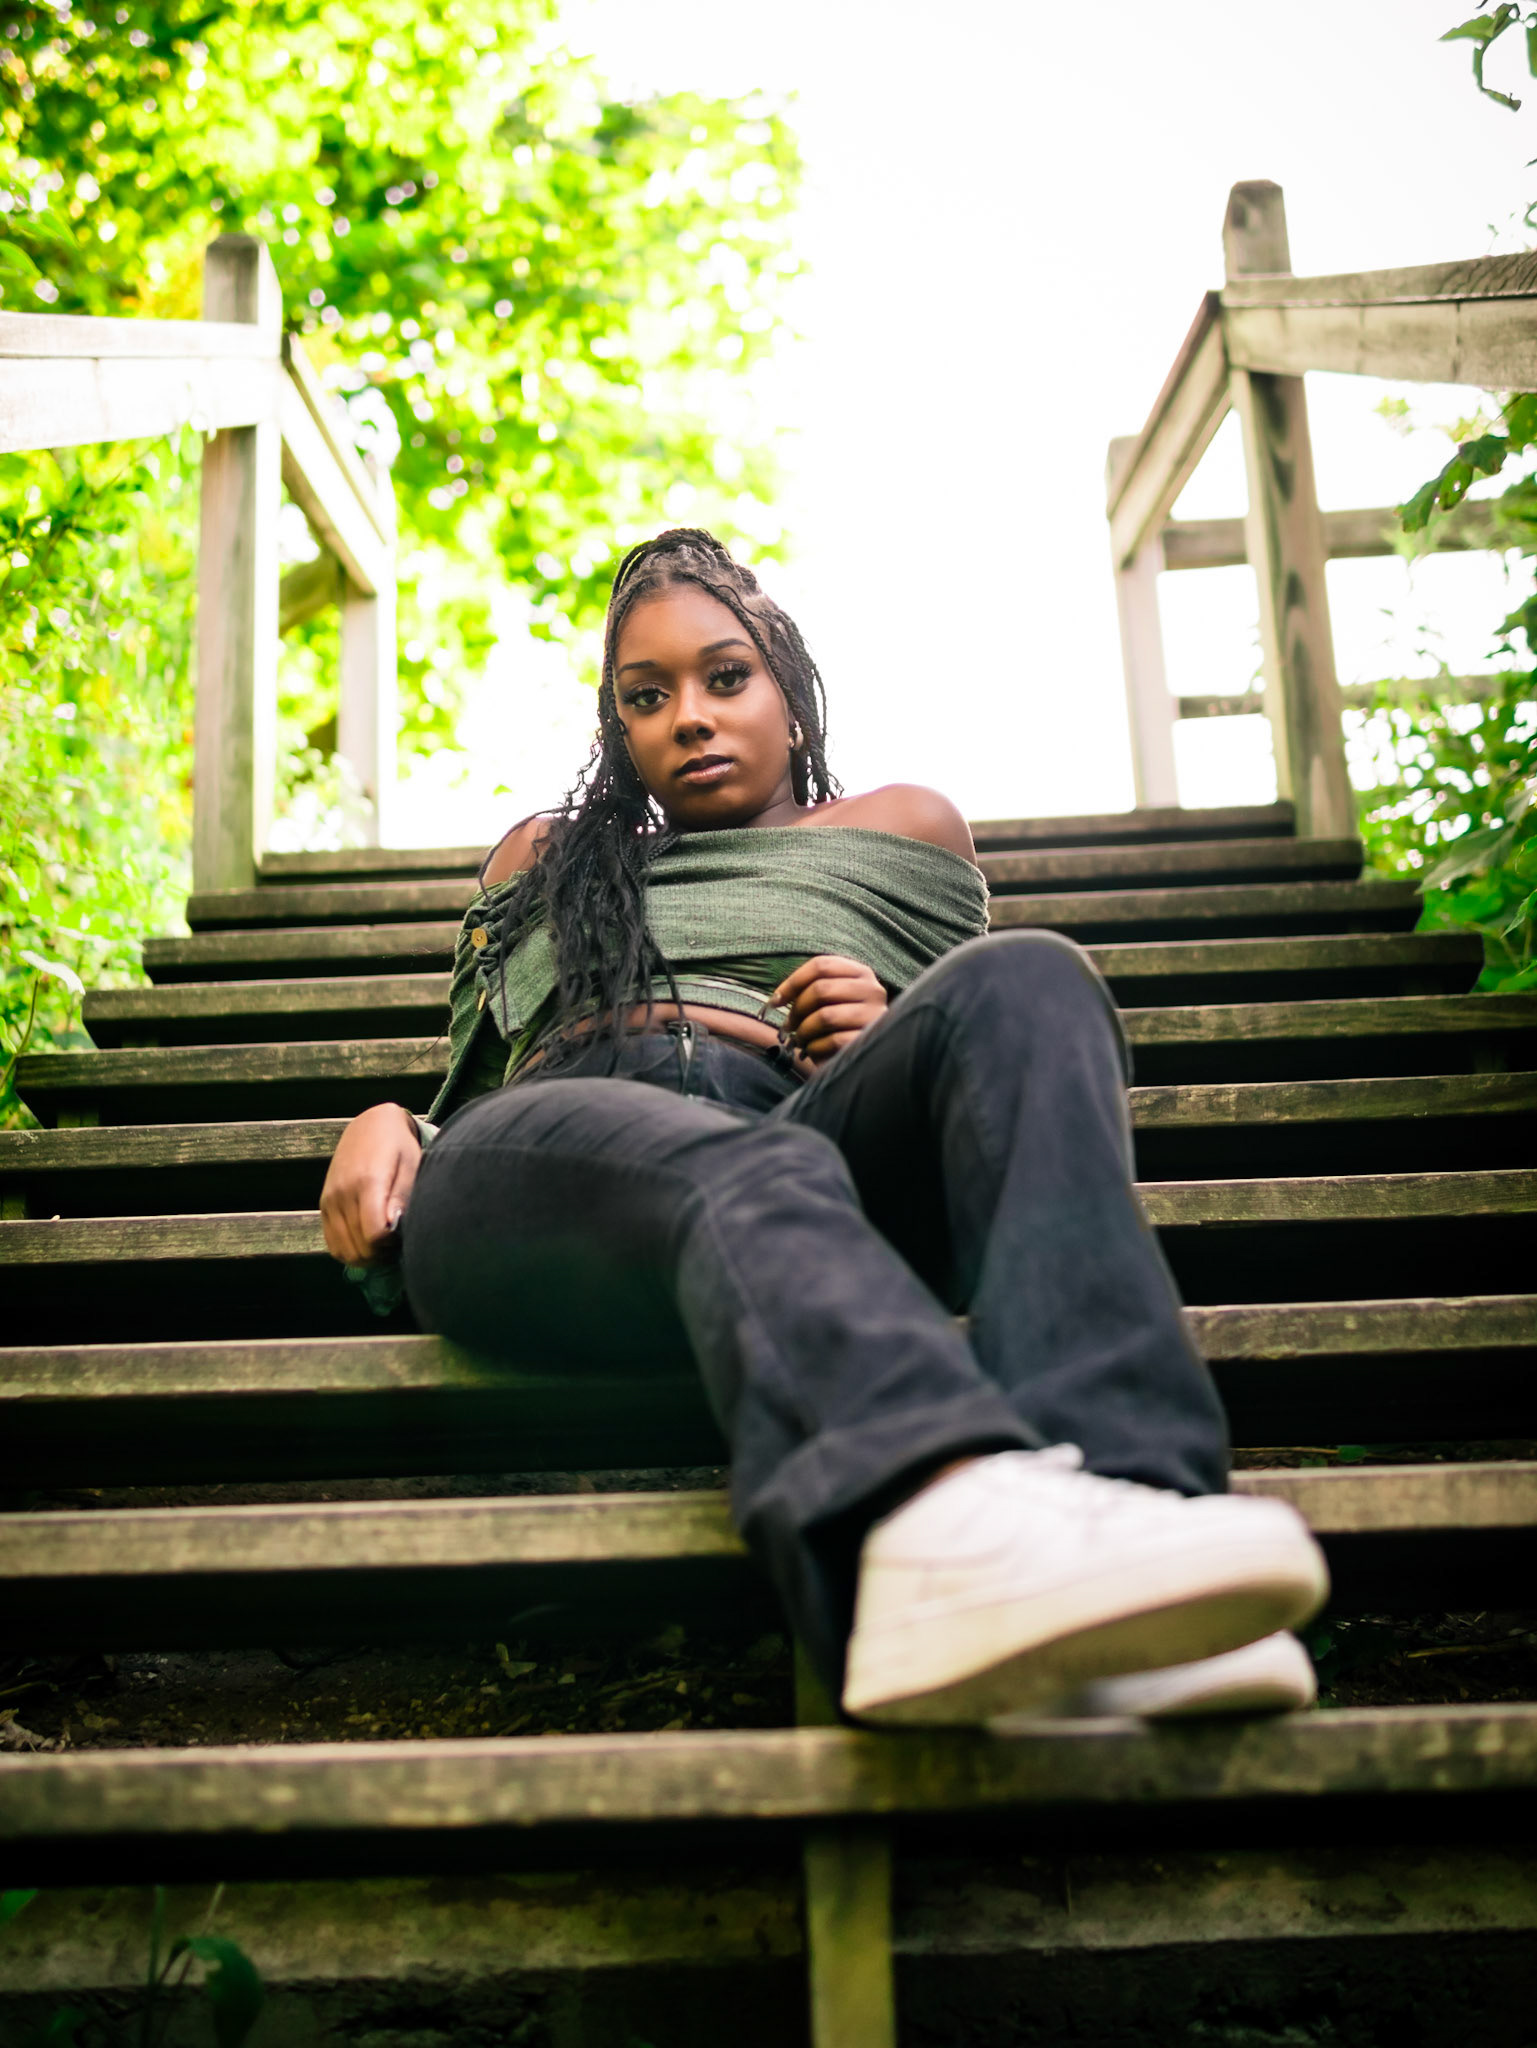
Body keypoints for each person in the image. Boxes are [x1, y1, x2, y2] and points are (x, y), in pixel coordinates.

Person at [320, 528, 1325, 1726]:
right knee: (740, 1165)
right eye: (647, 697)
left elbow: (971, 1089)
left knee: (1031, 979)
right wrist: (397, 1119)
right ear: (620, 733)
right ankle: (939, 1518)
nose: (690, 716)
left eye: (724, 677)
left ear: (791, 702)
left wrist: (886, 1018)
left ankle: (1140, 1534)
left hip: (801, 1145)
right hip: (562, 1166)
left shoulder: (902, 828)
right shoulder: (541, 855)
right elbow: (471, 1089)